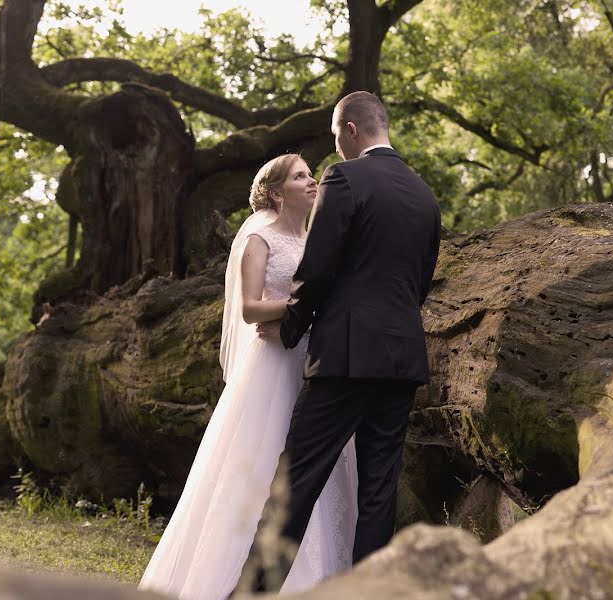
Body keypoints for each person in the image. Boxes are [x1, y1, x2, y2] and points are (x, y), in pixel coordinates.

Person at [242, 91, 442, 588]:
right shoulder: (424, 194)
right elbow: (420, 281)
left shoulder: (345, 177)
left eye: (335, 135)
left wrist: (289, 328)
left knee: (298, 481)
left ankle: (256, 592)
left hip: (345, 357)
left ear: (350, 130)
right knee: (379, 491)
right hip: (401, 359)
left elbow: (317, 269)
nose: (336, 146)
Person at [138, 153, 358, 600]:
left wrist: (312, 311)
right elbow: (250, 307)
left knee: (317, 467)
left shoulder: (316, 240)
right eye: (300, 177)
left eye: (311, 174)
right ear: (277, 193)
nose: (312, 181)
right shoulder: (260, 238)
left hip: (313, 363)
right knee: (264, 463)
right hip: (273, 365)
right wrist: (301, 307)